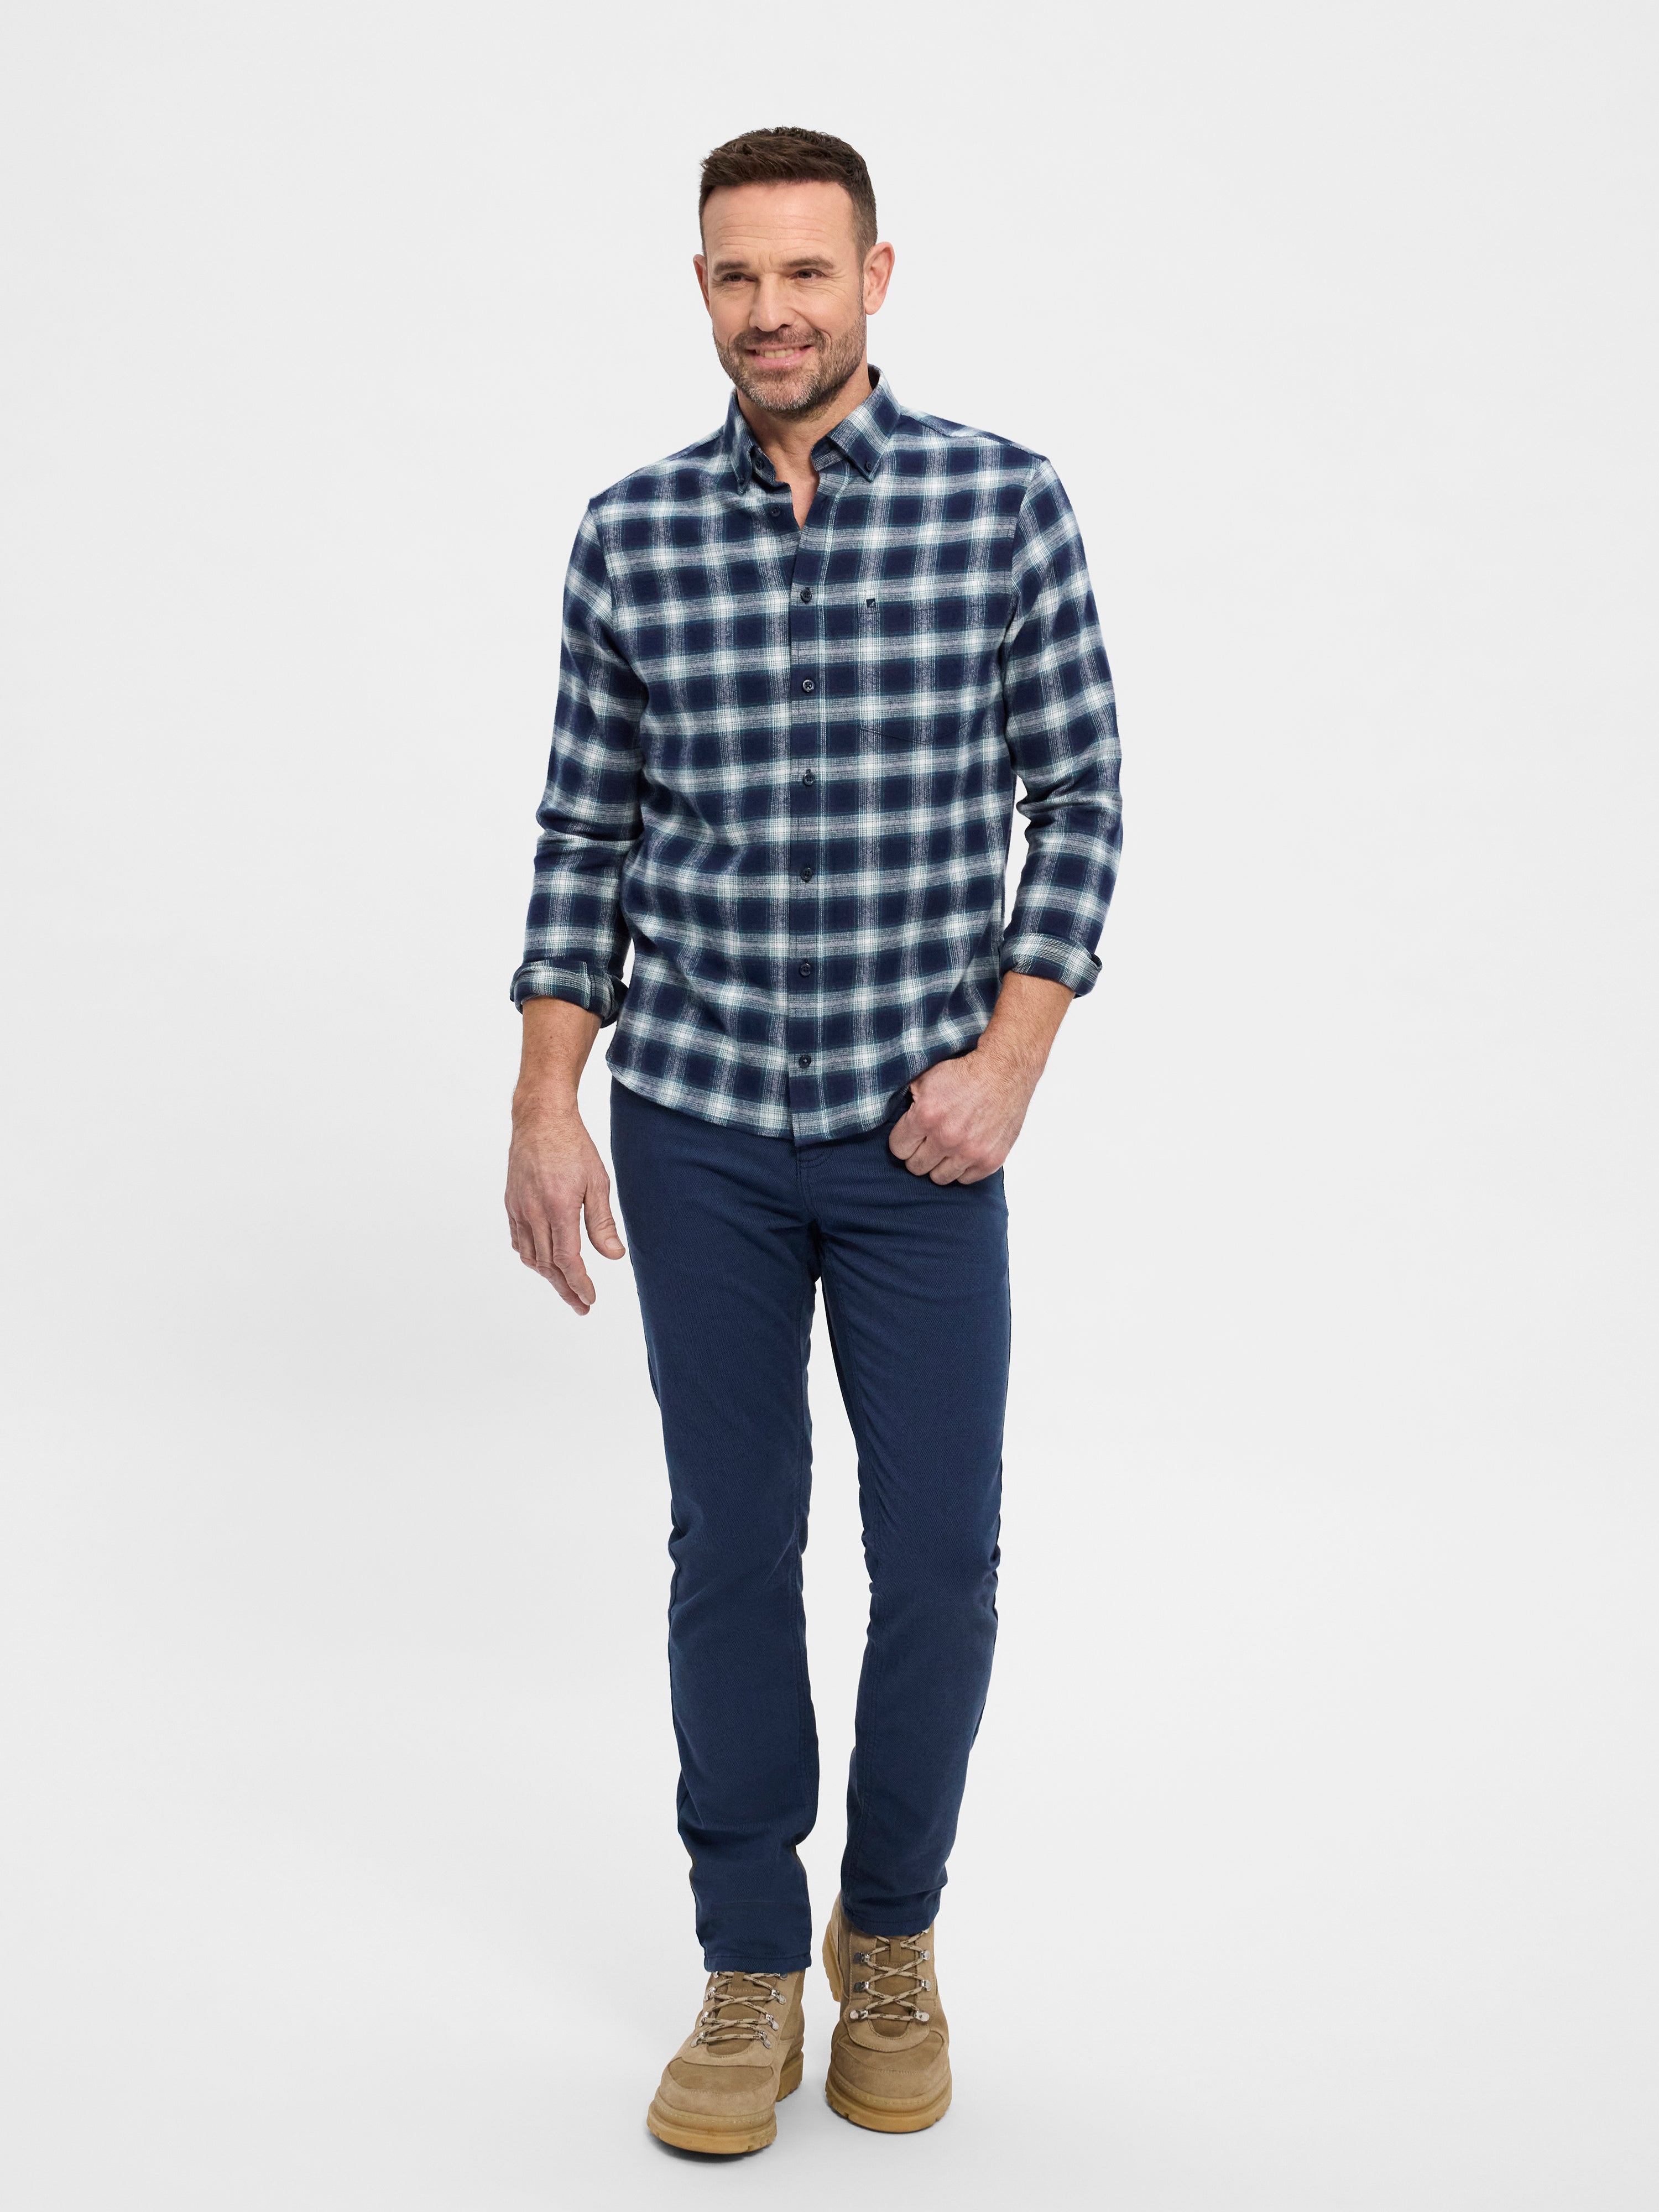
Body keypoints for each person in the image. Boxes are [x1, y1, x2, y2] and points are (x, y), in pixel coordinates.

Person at [503, 125, 1121, 2154]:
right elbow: (584, 833)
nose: (772, 311)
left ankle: (895, 1930)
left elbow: (1081, 797)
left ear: (875, 277)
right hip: (697, 1126)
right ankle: (752, 1958)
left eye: (805, 272)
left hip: (920, 1138)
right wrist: (546, 1096)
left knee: (939, 1557)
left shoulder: (1002, 501)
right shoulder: (630, 534)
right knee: (734, 1542)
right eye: (735, 275)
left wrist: (1009, 1066)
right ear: (702, 287)